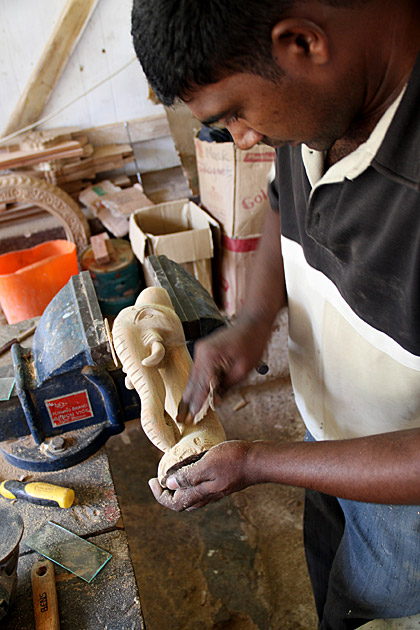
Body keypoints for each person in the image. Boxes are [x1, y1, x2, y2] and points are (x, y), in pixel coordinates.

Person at [131, 1, 420, 628]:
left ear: (303, 43)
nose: (244, 139)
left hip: (408, 506)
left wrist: (259, 461)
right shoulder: (325, 101)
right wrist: (254, 320)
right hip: (331, 438)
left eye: (232, 114)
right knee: (333, 584)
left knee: (375, 610)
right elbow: (285, 204)